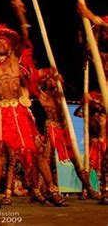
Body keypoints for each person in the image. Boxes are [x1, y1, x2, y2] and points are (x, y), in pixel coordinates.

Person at [0, 0, 68, 208]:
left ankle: (53, 191)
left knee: (36, 151)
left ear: (10, 45)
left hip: (20, 110)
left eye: (5, 40)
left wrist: (20, 11)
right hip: (2, 112)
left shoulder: (15, 59)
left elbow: (25, 33)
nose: (2, 41)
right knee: (0, 153)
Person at [37, 68, 100, 200]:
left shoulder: (61, 94)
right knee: (46, 158)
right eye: (50, 80)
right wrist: (47, 77)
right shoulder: (43, 95)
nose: (53, 81)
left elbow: (72, 91)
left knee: (76, 161)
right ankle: (44, 189)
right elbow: (33, 84)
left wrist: (85, 100)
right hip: (52, 127)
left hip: (64, 129)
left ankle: (89, 188)